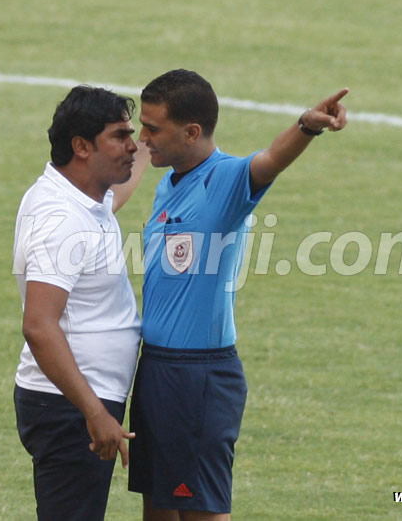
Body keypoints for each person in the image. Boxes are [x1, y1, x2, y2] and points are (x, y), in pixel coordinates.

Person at [128, 69, 348, 520]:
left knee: (202, 512)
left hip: (198, 378)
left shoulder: (224, 180)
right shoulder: (169, 183)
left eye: (152, 128)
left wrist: (306, 126)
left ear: (191, 133)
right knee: (158, 510)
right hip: (157, 370)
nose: (142, 137)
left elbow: (268, 161)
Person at [11, 85, 148, 521]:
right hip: (71, 404)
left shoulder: (84, 199)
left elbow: (114, 201)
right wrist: (93, 412)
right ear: (82, 146)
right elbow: (39, 325)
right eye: (120, 136)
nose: (132, 146)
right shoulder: (62, 220)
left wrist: (160, 140)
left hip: (74, 398)